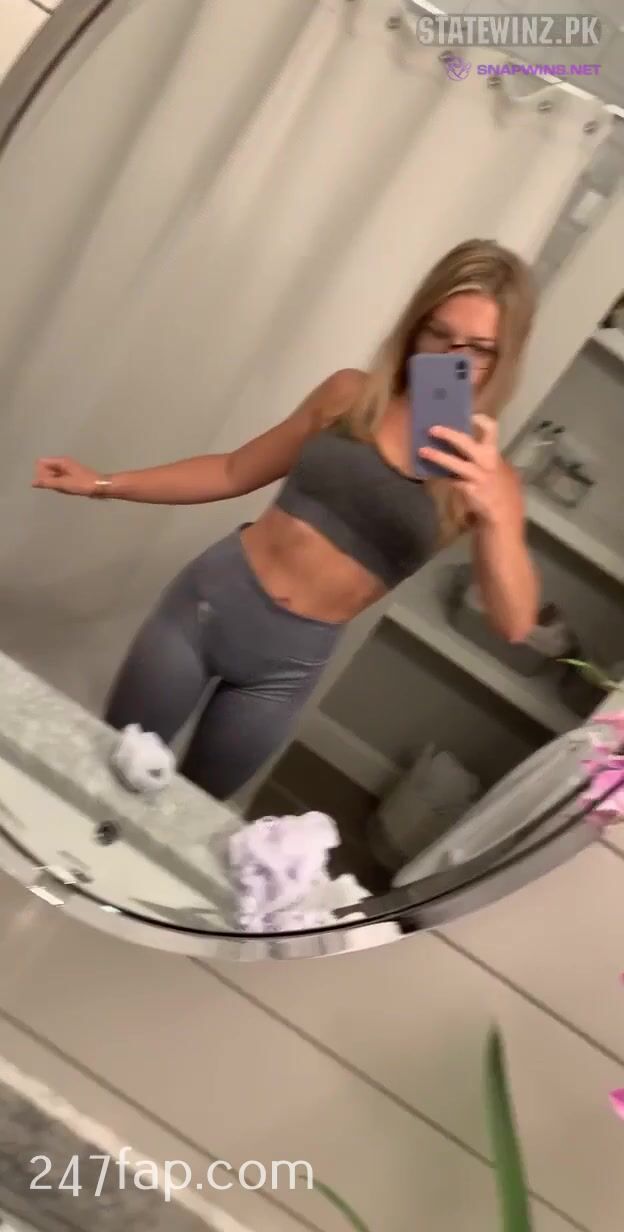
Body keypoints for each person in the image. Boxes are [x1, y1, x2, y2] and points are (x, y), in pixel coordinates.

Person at [33, 238, 540, 801]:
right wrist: (103, 484)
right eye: (439, 333)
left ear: (504, 359)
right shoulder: (350, 395)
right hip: (206, 607)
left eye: (477, 349)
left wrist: (496, 515)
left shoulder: (489, 481)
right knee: (104, 774)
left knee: (192, 814)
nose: (450, 358)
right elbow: (232, 470)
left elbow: (515, 624)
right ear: (415, 327)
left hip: (283, 669)